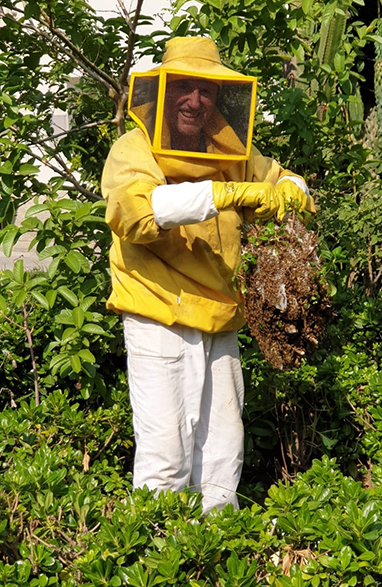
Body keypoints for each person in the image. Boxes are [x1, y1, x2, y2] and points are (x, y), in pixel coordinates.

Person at [101, 36, 315, 513]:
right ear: (161, 91)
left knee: (221, 457)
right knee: (166, 461)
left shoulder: (229, 147)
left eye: (205, 91)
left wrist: (289, 191)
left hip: (221, 319)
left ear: (219, 97)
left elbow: (286, 179)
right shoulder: (133, 148)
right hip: (159, 313)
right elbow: (136, 212)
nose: (194, 101)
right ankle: (159, 562)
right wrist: (223, 194)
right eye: (183, 87)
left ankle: (215, 559)